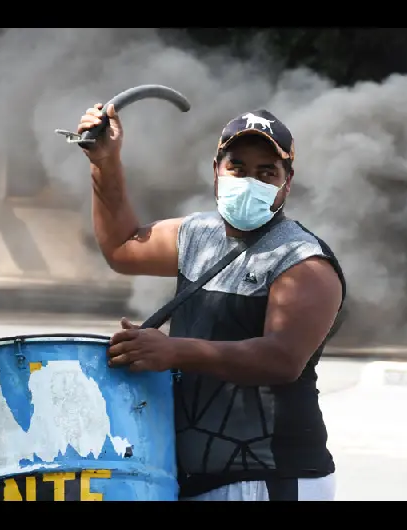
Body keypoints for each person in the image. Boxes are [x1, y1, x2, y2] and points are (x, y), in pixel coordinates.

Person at [76, 104, 346, 502]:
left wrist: (173, 350)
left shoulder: (304, 262)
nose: (250, 180)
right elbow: (121, 246)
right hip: (194, 476)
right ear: (216, 171)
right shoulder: (197, 234)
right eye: (237, 167)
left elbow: (282, 359)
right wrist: (105, 162)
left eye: (266, 172)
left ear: (287, 183)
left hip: (271, 477)